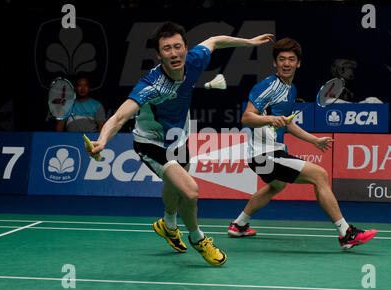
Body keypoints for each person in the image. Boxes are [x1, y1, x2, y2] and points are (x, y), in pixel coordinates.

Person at [86, 21, 274, 266]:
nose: (174, 53)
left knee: (174, 185)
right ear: (158, 54)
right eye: (167, 49)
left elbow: (215, 41)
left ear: (186, 47)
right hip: (151, 142)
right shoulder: (151, 86)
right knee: (190, 190)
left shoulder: (195, 60)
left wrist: (248, 42)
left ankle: (168, 224)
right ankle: (198, 238)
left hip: (178, 136)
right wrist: (101, 141)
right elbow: (120, 116)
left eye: (177, 47)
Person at [228, 38, 377, 250]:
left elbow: (287, 125)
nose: (286, 63)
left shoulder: (291, 89)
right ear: (274, 63)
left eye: (291, 59)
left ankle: (239, 225)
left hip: (271, 152)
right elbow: (247, 118)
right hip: (264, 154)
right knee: (320, 175)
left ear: (298, 63)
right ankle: (346, 233)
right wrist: (270, 120)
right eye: (282, 59)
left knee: (276, 185)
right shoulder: (268, 86)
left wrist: (314, 140)